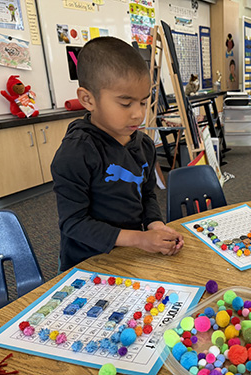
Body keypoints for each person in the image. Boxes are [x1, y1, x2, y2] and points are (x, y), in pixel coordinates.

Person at [51, 36, 184, 273]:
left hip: (130, 255)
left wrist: (155, 225)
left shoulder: (144, 145)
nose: (138, 115)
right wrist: (139, 239)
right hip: (86, 263)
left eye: (143, 102)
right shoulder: (75, 152)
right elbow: (74, 222)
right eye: (125, 104)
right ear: (88, 99)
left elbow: (146, 195)